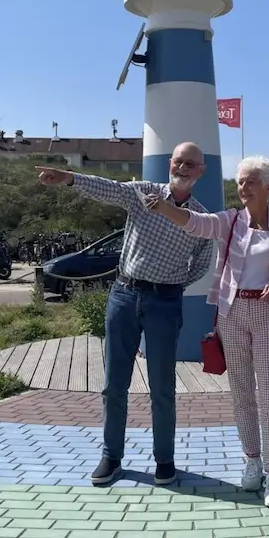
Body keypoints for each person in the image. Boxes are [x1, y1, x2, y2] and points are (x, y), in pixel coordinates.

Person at [36, 144, 214, 488]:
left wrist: (170, 285)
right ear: (169, 163)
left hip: (165, 302)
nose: (184, 167)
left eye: (192, 163)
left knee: (163, 386)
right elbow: (109, 189)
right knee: (114, 383)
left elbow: (202, 265)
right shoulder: (142, 193)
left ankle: (164, 460)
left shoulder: (200, 218)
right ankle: (111, 456)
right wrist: (70, 179)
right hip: (124, 294)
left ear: (201, 171)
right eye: (179, 161)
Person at [146, 156, 269, 509]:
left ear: (268, 186)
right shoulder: (229, 221)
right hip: (231, 313)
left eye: (250, 181)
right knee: (240, 392)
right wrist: (163, 208)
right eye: (239, 181)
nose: (243, 187)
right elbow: (195, 223)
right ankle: (252, 460)